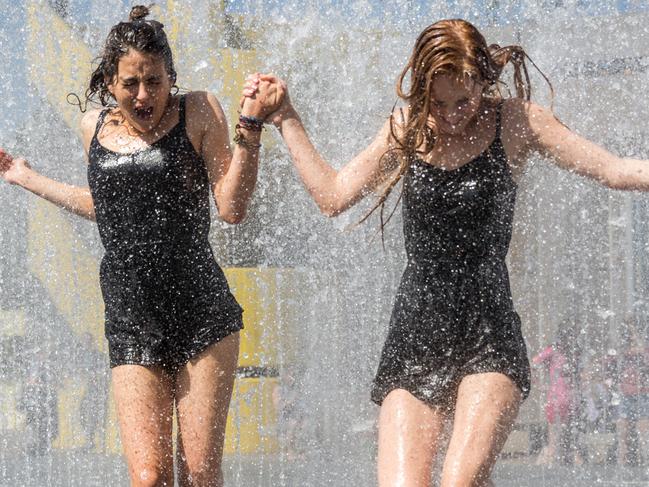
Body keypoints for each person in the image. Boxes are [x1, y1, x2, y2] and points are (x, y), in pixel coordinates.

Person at [243, 18, 649, 487]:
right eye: (438, 103)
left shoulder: (516, 122)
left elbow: (615, 170)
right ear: (420, 91)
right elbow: (333, 195)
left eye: (464, 99)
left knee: (459, 482)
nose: (453, 114)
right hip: (415, 336)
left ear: (482, 79)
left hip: (488, 336)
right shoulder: (406, 129)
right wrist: (286, 116)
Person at [0, 6, 281, 486]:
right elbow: (109, 206)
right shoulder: (95, 127)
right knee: (149, 476)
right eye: (130, 82)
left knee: (199, 473)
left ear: (171, 76)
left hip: (201, 312)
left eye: (155, 80)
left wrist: (250, 131)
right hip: (131, 315)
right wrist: (25, 178)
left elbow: (231, 208)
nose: (144, 94)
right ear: (109, 82)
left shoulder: (198, 110)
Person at [532, 321, 585, 465]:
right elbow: (534, 364)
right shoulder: (553, 351)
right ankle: (547, 463)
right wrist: (540, 385)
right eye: (571, 335)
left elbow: (583, 374)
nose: (573, 339)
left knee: (569, 441)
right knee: (556, 441)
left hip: (571, 400)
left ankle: (563, 469)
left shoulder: (575, 353)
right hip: (556, 400)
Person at [616, 319, 649, 466]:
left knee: (644, 429)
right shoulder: (622, 351)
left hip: (643, 393)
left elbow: (643, 354)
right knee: (623, 431)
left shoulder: (644, 350)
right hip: (626, 394)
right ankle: (622, 463)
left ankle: (645, 460)